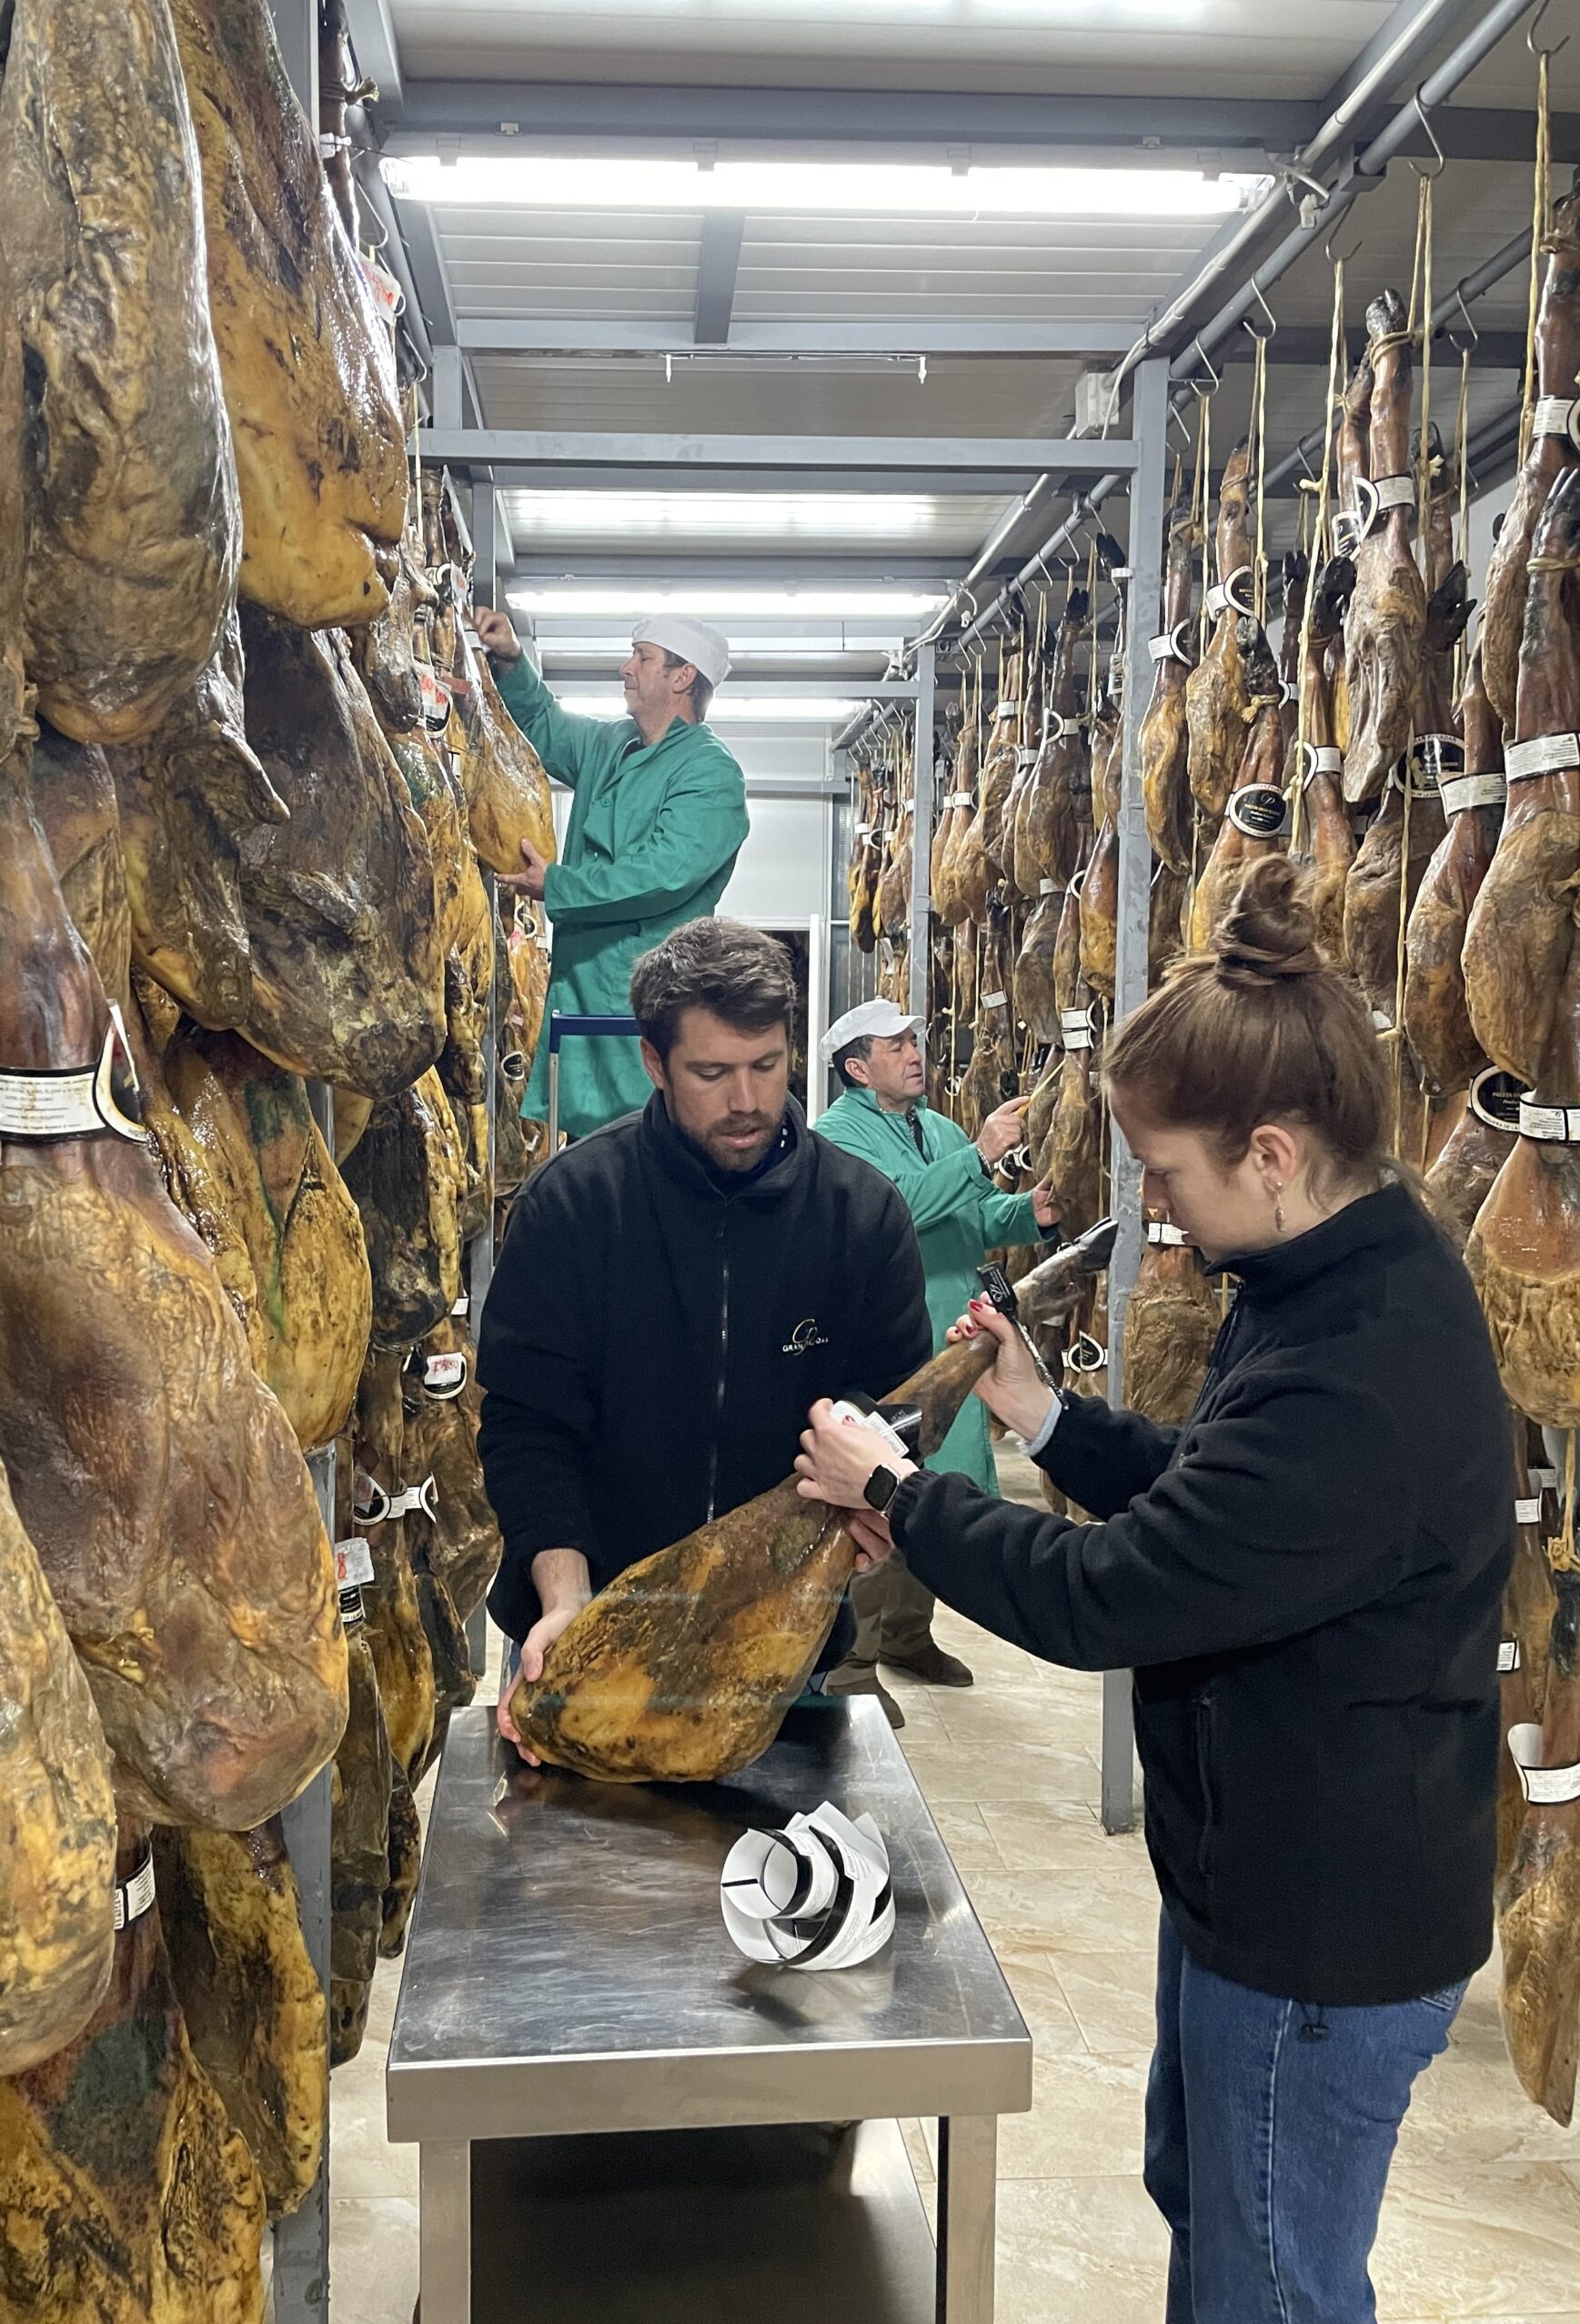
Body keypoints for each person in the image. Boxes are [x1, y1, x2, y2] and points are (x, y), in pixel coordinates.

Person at [793, 858, 1511, 2324]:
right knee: (1219, 2222)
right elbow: (1212, 1491)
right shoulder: (1322, 1284)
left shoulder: (1363, 1366)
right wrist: (1049, 1419)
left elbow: (1115, 1595)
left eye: (1168, 1175)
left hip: (1324, 1928)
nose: (1154, 1206)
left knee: (1272, 2288)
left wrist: (899, 1493)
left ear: (1266, 1153)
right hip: (1262, 1879)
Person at [477, 917, 932, 1756]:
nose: (747, 1100)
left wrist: (861, 1521)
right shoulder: (573, 1206)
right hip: (585, 1638)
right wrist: (565, 1599)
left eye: (766, 1065)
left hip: (784, 1652)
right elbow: (527, 1425)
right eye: (711, 1073)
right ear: (654, 1064)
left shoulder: (860, 1215)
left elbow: (896, 1416)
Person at [812, 999, 1059, 1698]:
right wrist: (980, 1156)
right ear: (856, 1068)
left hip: (955, 1336)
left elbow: (973, 1219)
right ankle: (851, 1668)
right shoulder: (834, 1137)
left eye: (913, 1039)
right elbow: (892, 1206)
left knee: (932, 1492)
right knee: (876, 1493)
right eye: (895, 1045)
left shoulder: (940, 1128)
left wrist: (1032, 1214)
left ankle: (907, 1637)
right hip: (887, 1344)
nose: (914, 1053)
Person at [471, 606, 749, 1140]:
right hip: (582, 1000)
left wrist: (557, 885)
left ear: (682, 676)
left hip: (644, 1004)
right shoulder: (611, 743)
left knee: (652, 1156)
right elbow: (543, 727)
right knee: (593, 1169)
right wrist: (509, 661)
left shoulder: (711, 773)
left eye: (642, 658)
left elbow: (662, 874)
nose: (626, 668)